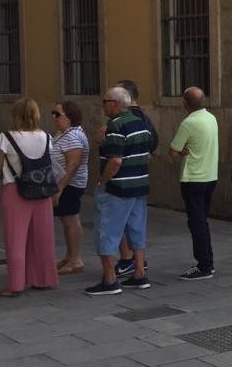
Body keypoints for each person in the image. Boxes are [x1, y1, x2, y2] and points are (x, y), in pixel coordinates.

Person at [86, 87, 151, 295]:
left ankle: (110, 279)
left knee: (107, 232)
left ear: (114, 103)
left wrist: (102, 181)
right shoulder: (141, 123)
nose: (103, 105)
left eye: (105, 101)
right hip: (139, 185)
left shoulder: (115, 125)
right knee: (136, 230)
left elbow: (115, 160)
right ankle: (139, 273)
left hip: (118, 188)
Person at [0, 99, 57, 297]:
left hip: (15, 190)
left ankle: (15, 285)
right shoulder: (46, 137)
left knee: (16, 239)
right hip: (42, 190)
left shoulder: (6, 137)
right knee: (42, 237)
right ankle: (44, 279)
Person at [169, 87, 219, 281]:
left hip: (193, 178)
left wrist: (181, 152)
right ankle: (208, 261)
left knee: (196, 223)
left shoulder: (188, 123)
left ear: (185, 103)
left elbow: (173, 152)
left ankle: (204, 266)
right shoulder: (211, 118)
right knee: (202, 221)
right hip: (210, 176)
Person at [111, 79, 159, 277]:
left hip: (124, 179)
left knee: (121, 222)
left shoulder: (125, 120)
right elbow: (153, 142)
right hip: (139, 177)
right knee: (136, 222)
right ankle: (137, 264)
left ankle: (127, 259)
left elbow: (114, 153)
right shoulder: (145, 119)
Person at [49, 101, 88, 275]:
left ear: (70, 117)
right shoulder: (64, 133)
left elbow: (73, 164)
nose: (54, 118)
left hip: (70, 184)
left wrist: (60, 187)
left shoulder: (72, 136)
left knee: (70, 219)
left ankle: (76, 260)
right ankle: (69, 256)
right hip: (65, 183)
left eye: (58, 114)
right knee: (67, 220)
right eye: (53, 114)